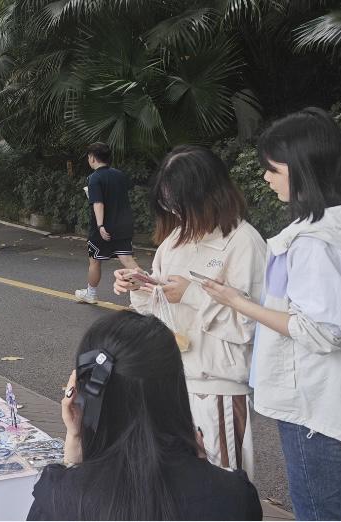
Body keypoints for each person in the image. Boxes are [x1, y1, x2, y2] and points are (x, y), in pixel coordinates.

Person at [202, 108, 341, 521]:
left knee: (323, 511)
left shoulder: (315, 244)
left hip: (314, 400)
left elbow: (321, 330)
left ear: (305, 170)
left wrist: (238, 302)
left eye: (274, 169)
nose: (266, 178)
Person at [112, 145, 266, 476]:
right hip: (173, 381)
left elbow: (251, 323)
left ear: (208, 195)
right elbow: (156, 314)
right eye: (168, 204)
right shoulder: (175, 241)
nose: (176, 212)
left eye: (179, 203)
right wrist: (140, 287)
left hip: (218, 386)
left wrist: (191, 294)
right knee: (179, 482)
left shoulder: (244, 242)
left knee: (224, 485)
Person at [27, 312, 263, 520]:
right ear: (176, 388)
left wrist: (75, 450)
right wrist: (204, 468)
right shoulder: (236, 495)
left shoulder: (58, 496)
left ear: (83, 396)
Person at [75, 142, 140, 304]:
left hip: (103, 228)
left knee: (95, 262)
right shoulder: (120, 175)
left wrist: (100, 225)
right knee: (128, 260)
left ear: (92, 158)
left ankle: (91, 294)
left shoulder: (94, 178)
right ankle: (144, 297)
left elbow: (98, 203)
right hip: (123, 225)